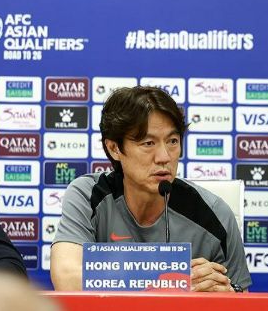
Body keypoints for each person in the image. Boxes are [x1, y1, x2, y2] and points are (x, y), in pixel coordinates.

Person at [50, 86, 251, 292]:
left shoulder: (215, 214)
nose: (164, 157)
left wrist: (225, 294)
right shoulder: (89, 195)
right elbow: (66, 278)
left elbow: (241, 296)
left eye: (172, 141)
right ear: (114, 148)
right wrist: (174, 283)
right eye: (148, 143)